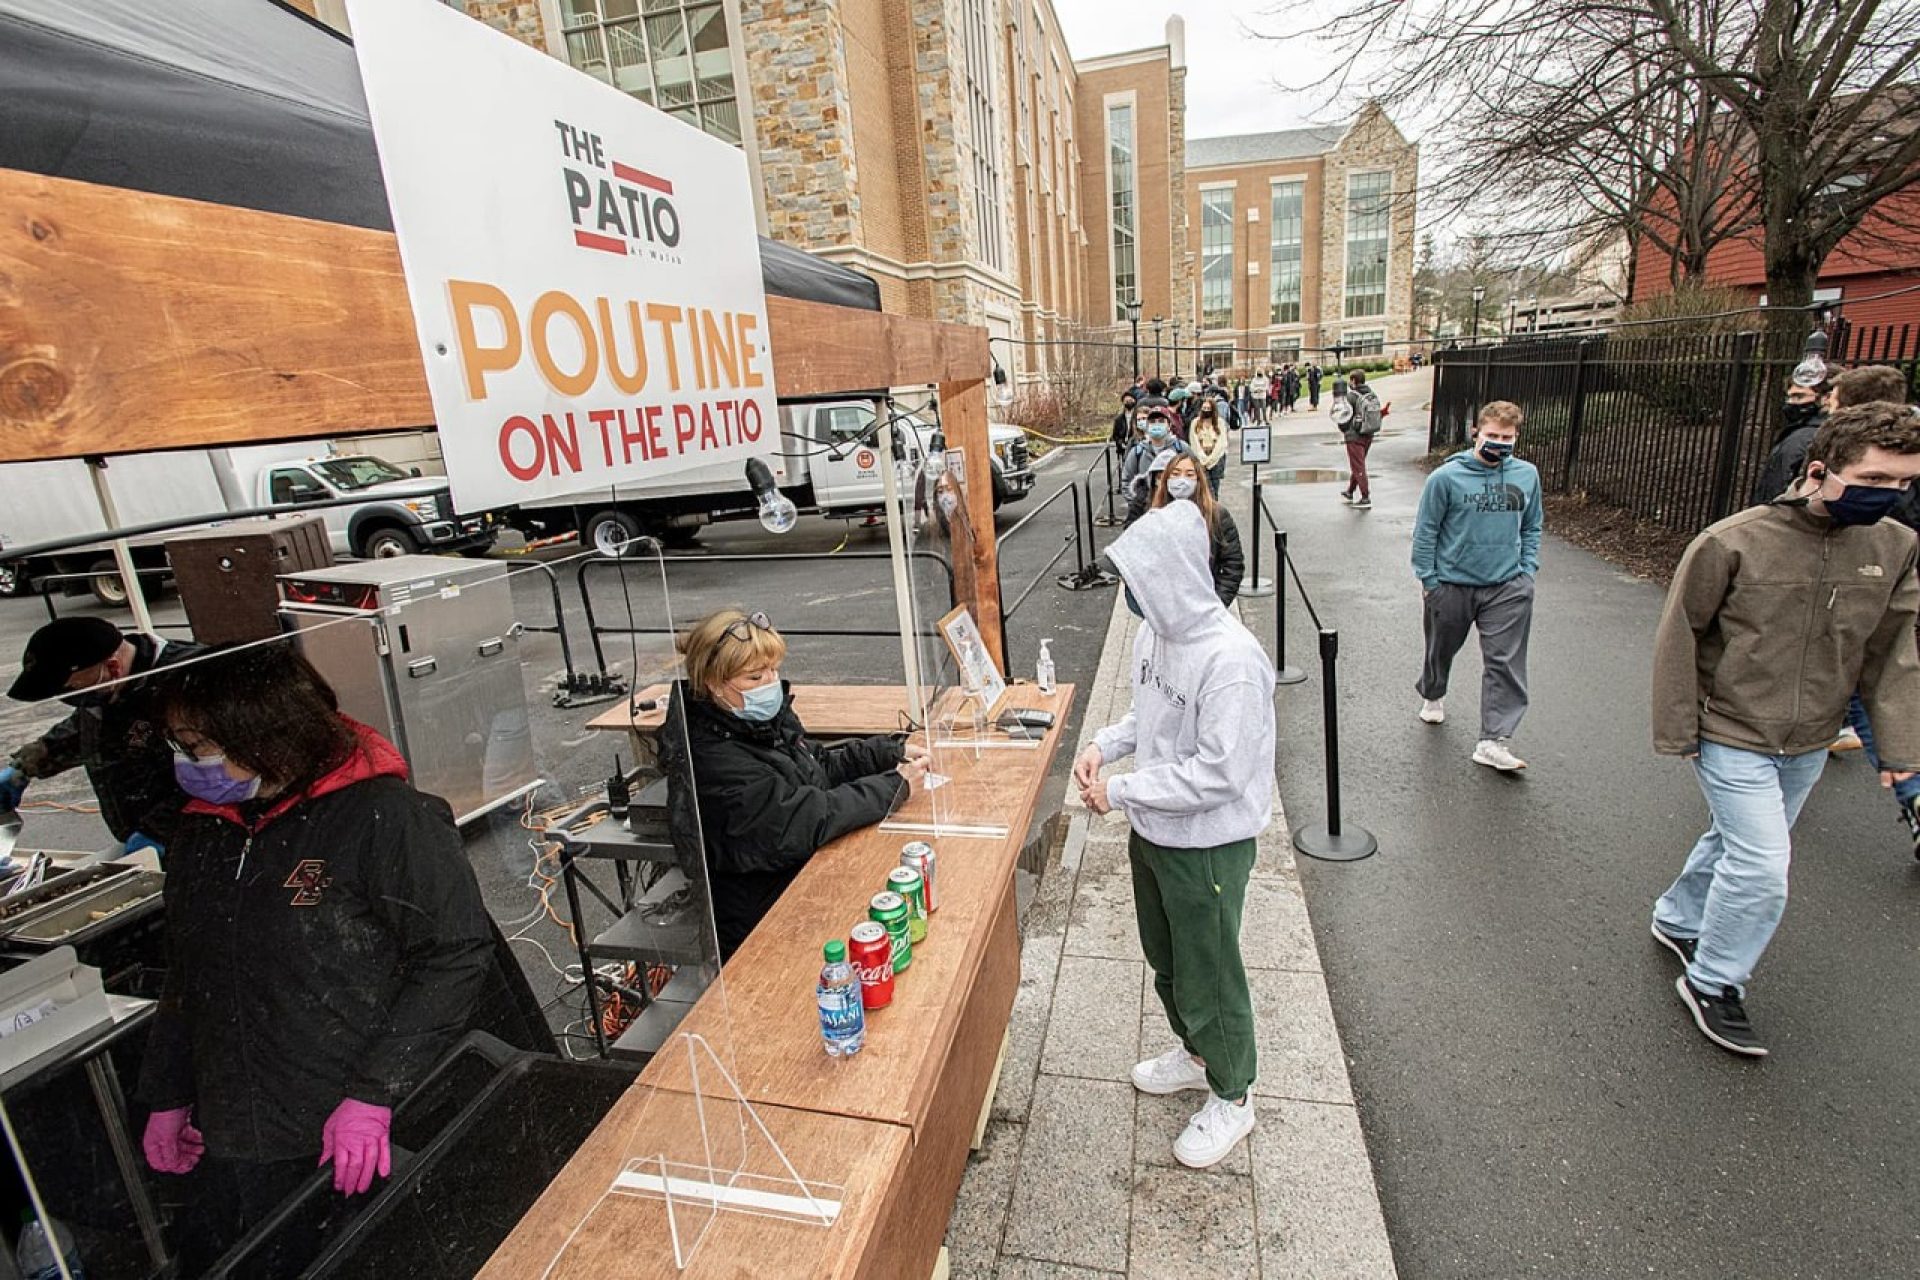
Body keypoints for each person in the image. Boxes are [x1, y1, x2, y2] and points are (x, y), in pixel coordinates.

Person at [137, 645, 548, 1272]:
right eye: (184, 747)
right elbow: (190, 971)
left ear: (266, 735)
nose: (192, 764)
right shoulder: (204, 831)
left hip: (363, 1121)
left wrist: (374, 1094)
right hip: (250, 1127)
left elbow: (455, 953)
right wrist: (169, 1092)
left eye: (201, 747)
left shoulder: (384, 817)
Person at [1650, 404, 1920, 1057]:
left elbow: (1894, 653)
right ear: (1820, 469)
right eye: (1877, 478)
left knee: (1734, 842)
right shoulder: (1733, 541)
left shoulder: (1894, 547)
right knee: (1763, 865)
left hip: (1811, 738)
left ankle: (1677, 917)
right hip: (1731, 728)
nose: (1890, 495)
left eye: (1906, 483)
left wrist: (1901, 747)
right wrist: (1679, 727)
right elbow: (1679, 634)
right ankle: (1713, 980)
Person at [1073, 501, 1275, 1170]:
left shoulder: (1232, 660)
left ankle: (1233, 1094)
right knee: (1168, 960)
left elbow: (1220, 773)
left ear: (1171, 575)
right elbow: (1146, 712)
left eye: (1137, 577)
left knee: (1211, 975)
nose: (1128, 591)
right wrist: (1104, 746)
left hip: (1208, 841)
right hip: (1156, 830)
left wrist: (1121, 790)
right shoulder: (1156, 634)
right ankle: (1195, 1055)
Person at [662, 609, 928, 958]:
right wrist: (894, 785)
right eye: (754, 677)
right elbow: (804, 818)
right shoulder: (713, 758)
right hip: (763, 926)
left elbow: (815, 767)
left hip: (803, 886)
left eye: (774, 669)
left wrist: (886, 751)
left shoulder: (759, 723)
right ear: (713, 684)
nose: (770, 683)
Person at [1750, 366, 1915, 759]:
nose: (1825, 402)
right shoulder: (1810, 445)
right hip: (1754, 725)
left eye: (1829, 397)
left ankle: (1834, 719)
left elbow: (1891, 651)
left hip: (1857, 570)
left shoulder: (1892, 535)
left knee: (1839, 639)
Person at [1410, 400, 1543, 772]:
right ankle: (1433, 692)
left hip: (1506, 586)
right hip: (1452, 583)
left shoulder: (1526, 475)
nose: (1499, 443)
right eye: (1492, 436)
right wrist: (1429, 580)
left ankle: (1493, 740)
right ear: (1475, 434)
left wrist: (1526, 570)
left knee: (1505, 662)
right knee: (1441, 648)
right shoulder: (1446, 479)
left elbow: (1532, 525)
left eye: (1507, 437)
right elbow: (1426, 532)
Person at [2, 616, 203, 856]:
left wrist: (160, 830)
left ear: (112, 667)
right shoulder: (106, 689)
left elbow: (222, 773)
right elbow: (89, 729)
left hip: (201, 840)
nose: (70, 699)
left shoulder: (191, 681)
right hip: (142, 836)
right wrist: (29, 762)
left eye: (73, 689)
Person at [1151, 453, 1244, 606]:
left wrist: (1217, 604)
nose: (1182, 480)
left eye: (1189, 474)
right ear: (1166, 479)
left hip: (1206, 604)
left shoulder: (1217, 516)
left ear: (1198, 480)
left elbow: (1232, 564)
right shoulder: (1156, 516)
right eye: (1175, 474)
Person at [1122, 409, 1192, 526]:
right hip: (1147, 514)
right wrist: (1138, 504)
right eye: (1153, 421)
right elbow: (1126, 481)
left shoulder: (1182, 449)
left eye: (1161, 421)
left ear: (1169, 425)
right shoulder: (1137, 452)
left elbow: (1197, 475)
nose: (1157, 425)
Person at [1336, 369, 1384, 509]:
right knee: (1358, 464)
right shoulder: (1371, 394)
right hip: (1368, 433)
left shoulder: (1352, 396)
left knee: (1358, 466)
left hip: (1354, 435)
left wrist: (1344, 429)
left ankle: (1365, 496)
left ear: (1354, 381)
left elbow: (1343, 416)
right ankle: (1350, 491)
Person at [1190, 393, 1232, 498]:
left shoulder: (1220, 423)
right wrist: (1203, 458)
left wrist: (1212, 459)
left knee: (1215, 488)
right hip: (1201, 459)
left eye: (1208, 408)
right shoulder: (1195, 423)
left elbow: (1222, 443)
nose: (1206, 410)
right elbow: (1194, 441)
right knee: (1204, 489)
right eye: (1204, 408)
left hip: (1217, 460)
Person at [1112, 390, 1140, 462]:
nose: (1129, 402)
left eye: (1130, 400)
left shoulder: (1139, 416)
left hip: (1136, 445)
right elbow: (1115, 435)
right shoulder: (1119, 419)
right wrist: (1120, 443)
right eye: (1126, 401)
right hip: (1123, 448)